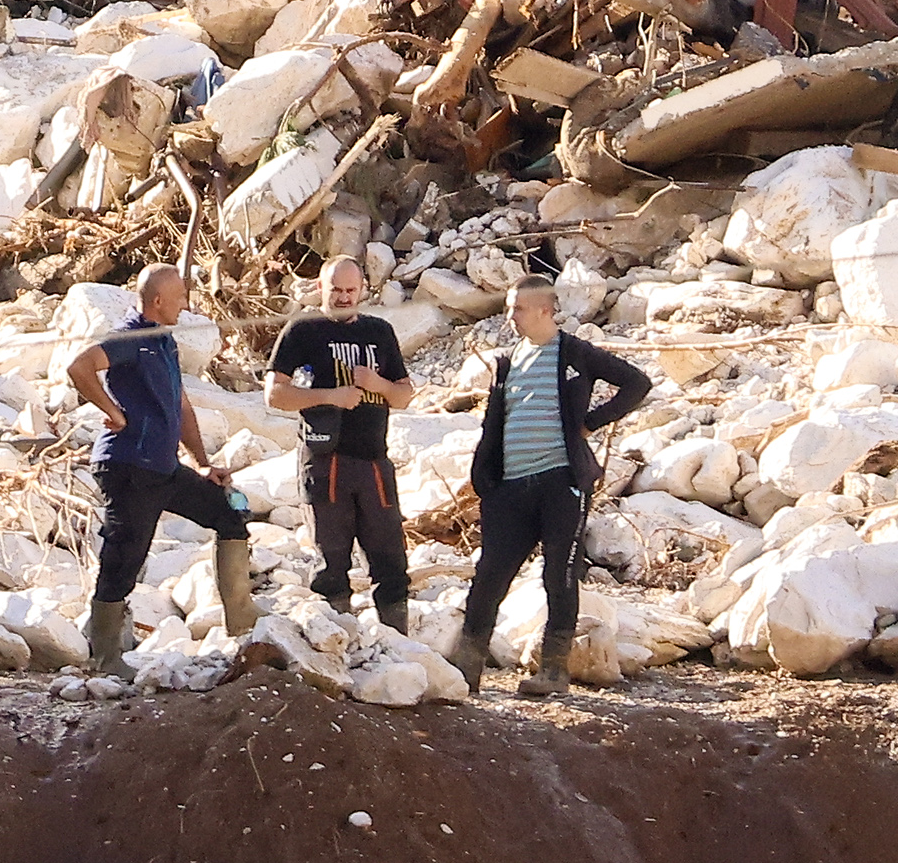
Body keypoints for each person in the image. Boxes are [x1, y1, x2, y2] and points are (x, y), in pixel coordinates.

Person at [450, 277, 650, 696]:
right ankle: (465, 668)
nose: (510, 316)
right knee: (490, 574)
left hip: (562, 483)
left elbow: (636, 383)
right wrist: (483, 477)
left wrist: (591, 422)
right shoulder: (508, 361)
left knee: (559, 575)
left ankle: (554, 671)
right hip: (510, 487)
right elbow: (494, 421)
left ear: (545, 310)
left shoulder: (573, 352)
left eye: (517, 308)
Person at [70, 264, 256, 673]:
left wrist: (203, 463)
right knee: (124, 558)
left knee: (228, 514)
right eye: (181, 298)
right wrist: (113, 411)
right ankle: (106, 658)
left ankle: (244, 625)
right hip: (129, 467)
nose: (186, 305)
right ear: (158, 301)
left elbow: (182, 405)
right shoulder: (132, 336)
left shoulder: (165, 342)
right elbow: (79, 367)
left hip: (164, 468)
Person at [268, 257, 416, 633]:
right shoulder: (303, 329)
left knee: (391, 562)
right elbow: (275, 395)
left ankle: (398, 647)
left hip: (373, 461)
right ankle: (337, 645)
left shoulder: (380, 332)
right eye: (337, 289)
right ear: (321, 287)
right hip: (325, 458)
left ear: (363, 289)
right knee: (331, 563)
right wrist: (332, 396)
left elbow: (403, 395)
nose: (345, 297)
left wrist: (376, 385)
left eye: (352, 290)